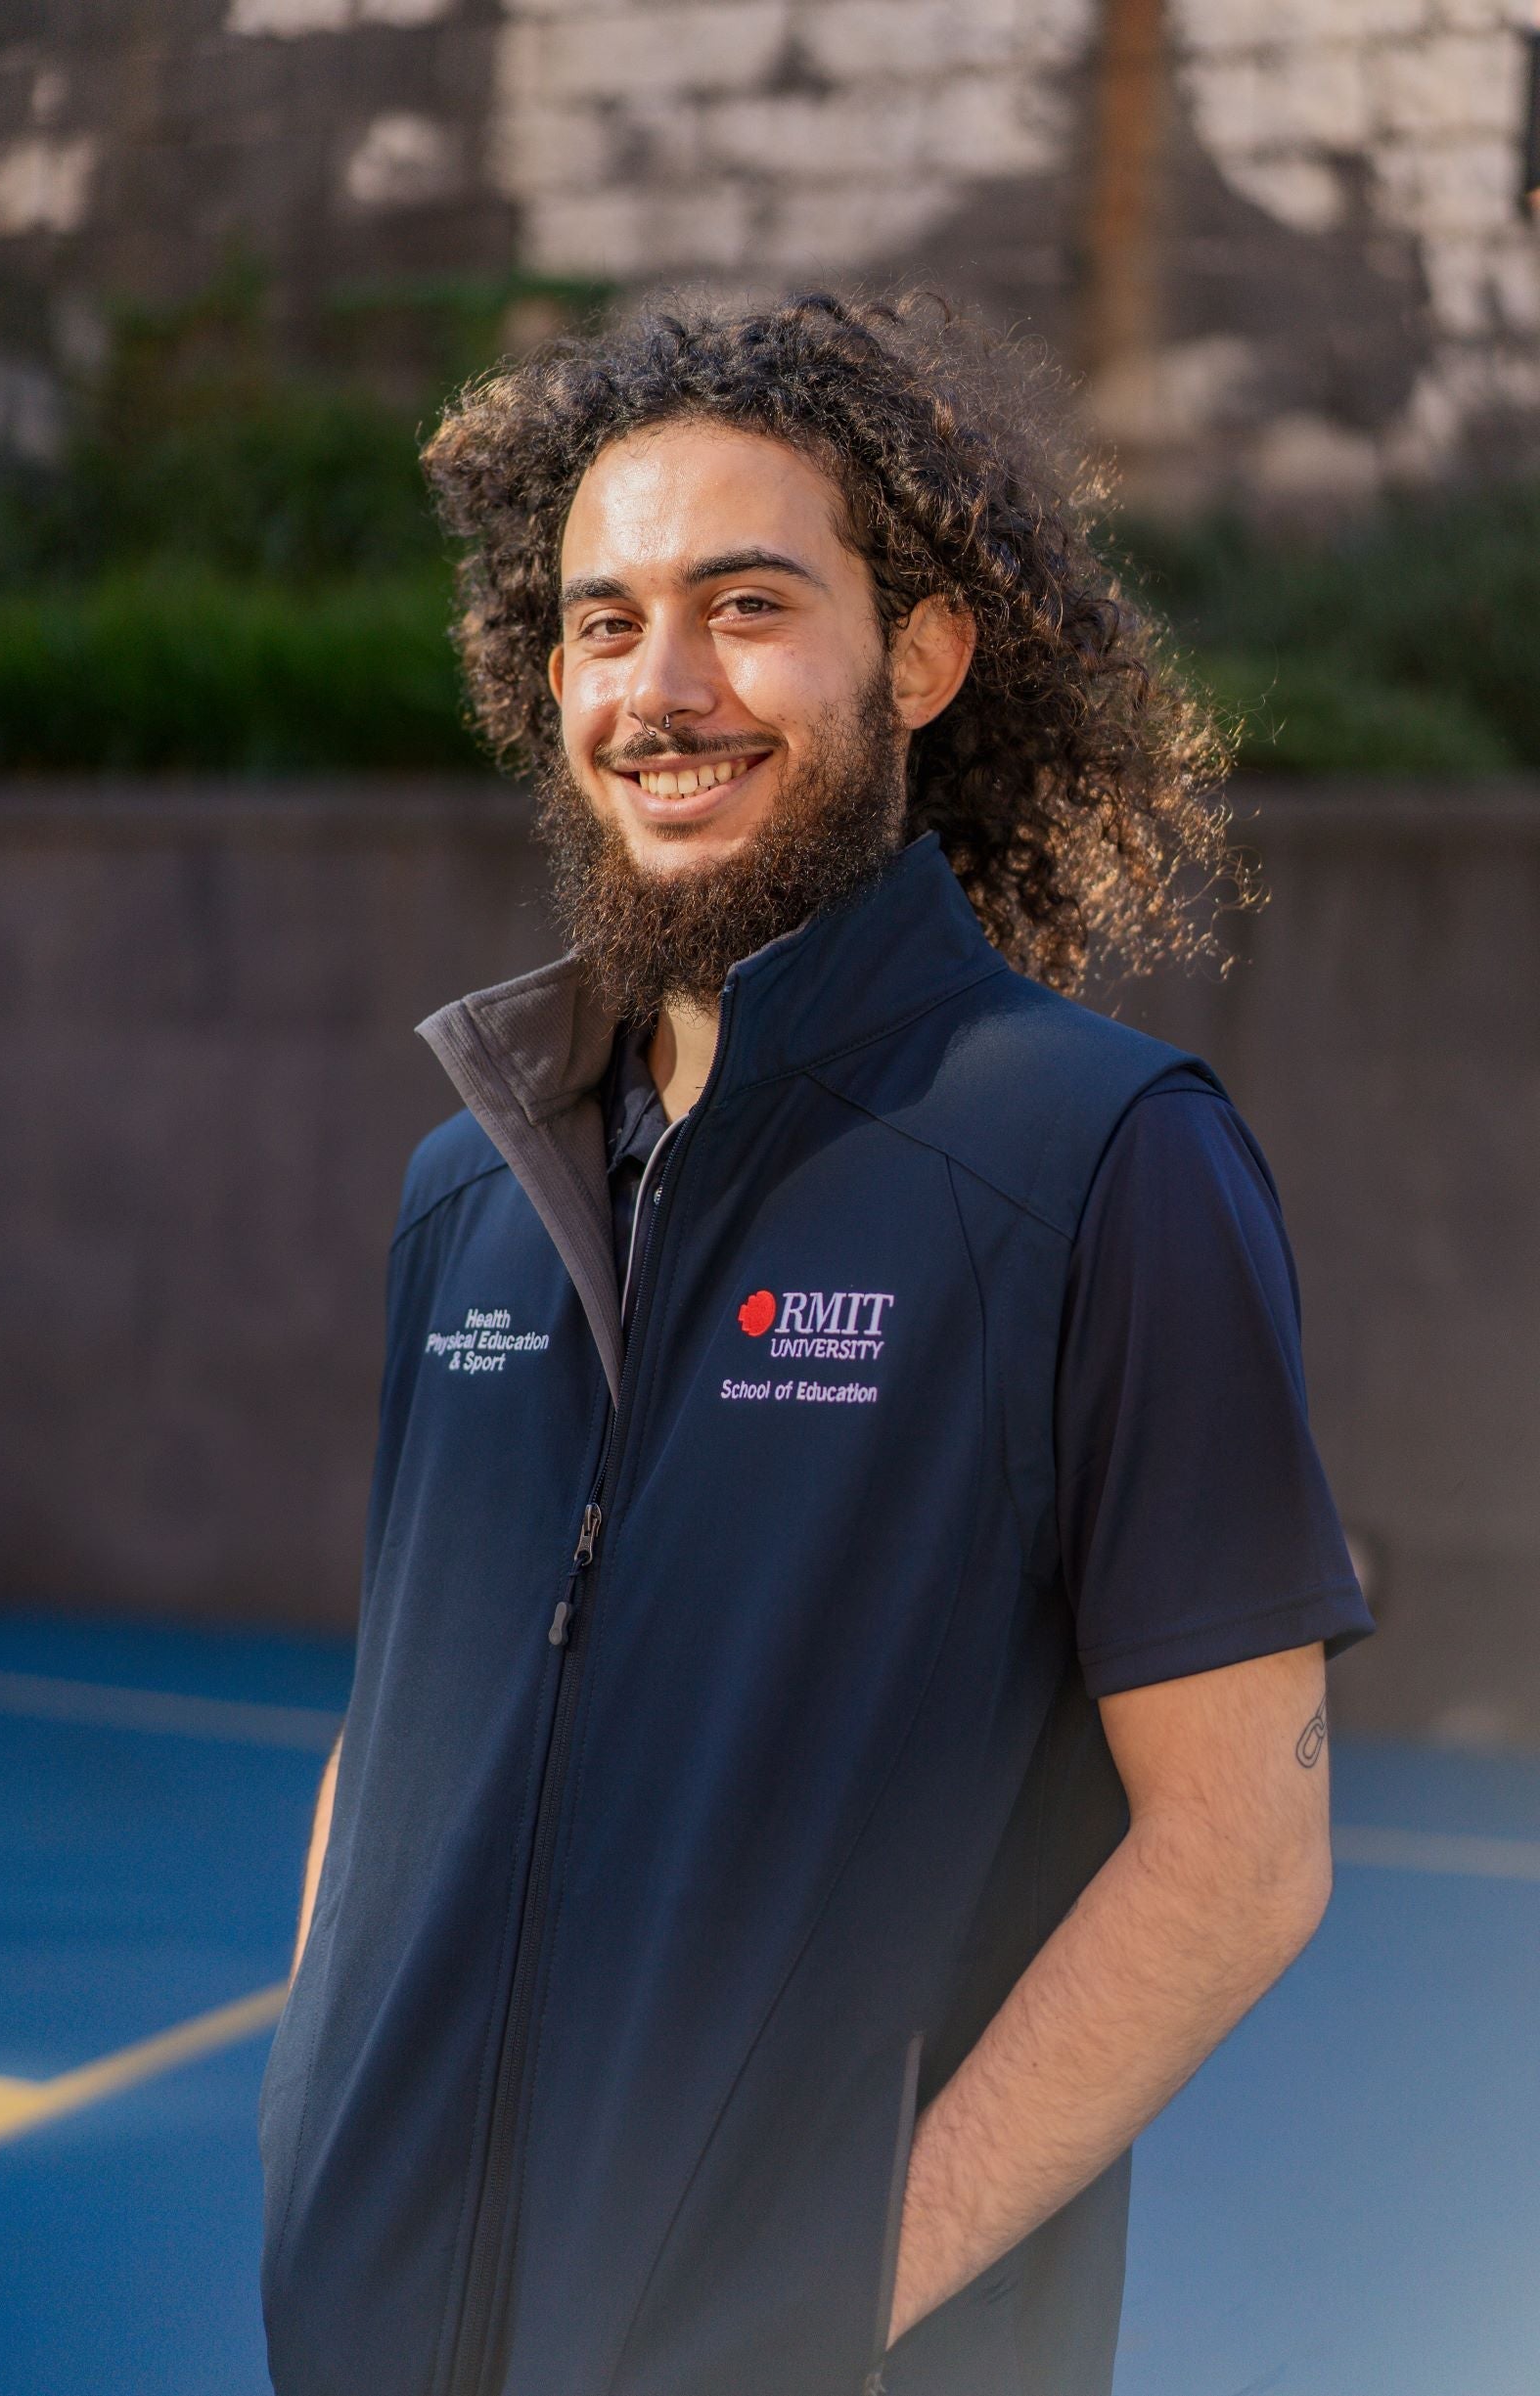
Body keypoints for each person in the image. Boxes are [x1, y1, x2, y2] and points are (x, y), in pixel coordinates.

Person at [258, 294, 1372, 2396]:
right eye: (602, 624)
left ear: (922, 656)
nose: (660, 690)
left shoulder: (1099, 1158)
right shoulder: (466, 1189)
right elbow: (399, 1723)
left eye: (744, 606)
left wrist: (824, 2303)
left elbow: (1242, 1855)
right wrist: (317, 2136)